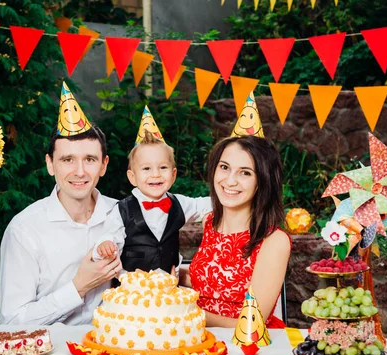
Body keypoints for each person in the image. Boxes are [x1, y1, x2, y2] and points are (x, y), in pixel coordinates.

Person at [0, 83, 122, 325]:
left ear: (104, 165)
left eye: (90, 159)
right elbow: (12, 322)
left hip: (115, 349)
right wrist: (78, 287)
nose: (79, 171)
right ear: (50, 164)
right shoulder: (25, 229)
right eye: (67, 160)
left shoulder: (122, 214)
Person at [185, 92, 291, 328]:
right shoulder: (210, 223)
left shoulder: (274, 240)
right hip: (199, 344)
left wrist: (184, 313)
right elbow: (210, 285)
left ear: (262, 181)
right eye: (224, 167)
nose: (229, 181)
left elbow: (252, 322)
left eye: (245, 172)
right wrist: (178, 281)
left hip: (249, 352)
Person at [93, 106, 211, 276]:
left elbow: (206, 204)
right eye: (146, 168)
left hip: (168, 286)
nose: (155, 174)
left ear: (173, 174)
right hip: (132, 288)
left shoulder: (180, 203)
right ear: (132, 177)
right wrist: (105, 245)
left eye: (163, 167)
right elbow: (111, 235)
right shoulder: (122, 209)